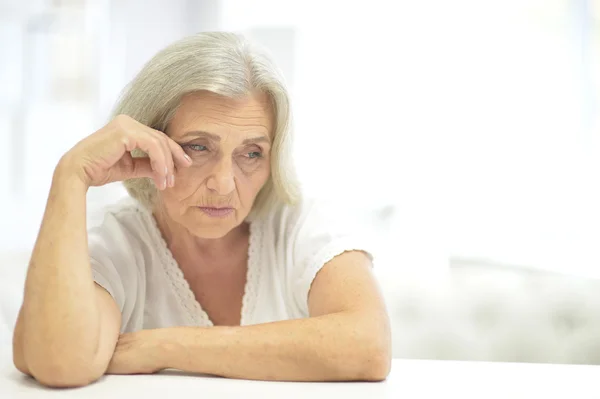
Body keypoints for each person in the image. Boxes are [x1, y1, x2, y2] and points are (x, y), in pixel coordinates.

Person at [12, 32, 391, 388]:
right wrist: (70, 177)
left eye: (252, 153)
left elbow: (369, 346)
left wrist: (163, 347)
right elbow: (59, 363)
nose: (224, 184)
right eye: (198, 147)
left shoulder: (298, 223)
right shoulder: (118, 242)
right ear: (149, 142)